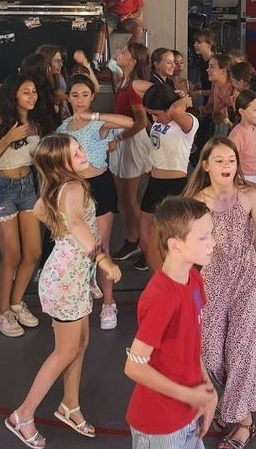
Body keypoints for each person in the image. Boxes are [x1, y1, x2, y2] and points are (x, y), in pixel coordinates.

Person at [3, 135, 123, 449]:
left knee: (80, 343)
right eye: (75, 152)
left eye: (79, 148)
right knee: (65, 351)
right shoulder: (73, 187)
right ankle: (22, 415)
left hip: (73, 278)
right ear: (60, 164)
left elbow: (39, 210)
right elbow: (78, 224)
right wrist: (102, 260)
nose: (82, 153)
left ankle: (70, 405)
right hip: (65, 281)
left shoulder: (63, 185)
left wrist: (63, 231)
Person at [185, 138, 256, 449]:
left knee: (241, 351)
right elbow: (186, 249)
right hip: (212, 282)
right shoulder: (197, 202)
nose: (227, 166)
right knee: (210, 353)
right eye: (220, 160)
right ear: (206, 166)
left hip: (246, 281)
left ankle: (244, 421)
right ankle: (230, 403)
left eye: (231, 160)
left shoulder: (249, 196)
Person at [123, 197, 217, 449]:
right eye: (203, 237)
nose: (213, 243)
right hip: (160, 423)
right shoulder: (162, 298)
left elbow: (191, 344)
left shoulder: (195, 280)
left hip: (185, 413)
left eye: (211, 234)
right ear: (175, 245)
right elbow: (134, 366)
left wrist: (207, 389)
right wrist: (189, 395)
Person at [58, 75, 134, 330]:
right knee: (78, 246)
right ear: (68, 98)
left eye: (85, 95)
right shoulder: (63, 128)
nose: (80, 100)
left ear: (92, 97)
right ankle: (80, 297)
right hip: (74, 190)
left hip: (100, 186)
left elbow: (129, 122)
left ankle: (109, 304)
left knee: (101, 247)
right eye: (75, 95)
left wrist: (94, 116)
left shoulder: (98, 123)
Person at [0, 74, 46, 339]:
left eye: (34, 91)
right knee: (12, 256)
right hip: (2, 188)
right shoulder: (0, 121)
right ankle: (2, 312)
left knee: (34, 252)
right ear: (13, 95)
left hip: (28, 186)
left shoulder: (36, 123)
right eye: (26, 92)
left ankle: (16, 302)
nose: (32, 96)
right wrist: (8, 138)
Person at [139, 84, 199, 274]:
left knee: (175, 244)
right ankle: (158, 283)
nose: (154, 119)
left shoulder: (187, 122)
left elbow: (174, 111)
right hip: (154, 183)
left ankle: (177, 281)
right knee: (147, 241)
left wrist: (183, 100)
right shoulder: (162, 119)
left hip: (174, 187)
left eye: (157, 114)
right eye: (151, 115)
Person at [110, 44, 155, 266]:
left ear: (133, 61)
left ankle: (145, 246)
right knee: (123, 201)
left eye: (125, 52)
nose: (121, 54)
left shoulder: (134, 86)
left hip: (131, 142)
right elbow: (112, 63)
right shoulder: (123, 80)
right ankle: (132, 239)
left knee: (129, 199)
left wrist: (119, 138)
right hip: (122, 140)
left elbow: (141, 122)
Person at [95, 0, 147, 65]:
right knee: (102, 31)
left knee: (139, 30)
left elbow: (140, 9)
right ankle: (96, 60)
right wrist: (115, 1)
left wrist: (133, 15)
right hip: (112, 16)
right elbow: (102, 8)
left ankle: (123, 54)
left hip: (127, 17)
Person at [227, 90, 256, 184]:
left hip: (254, 179)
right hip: (241, 182)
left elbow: (253, 161)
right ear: (242, 112)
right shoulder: (237, 135)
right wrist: (249, 184)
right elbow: (228, 166)